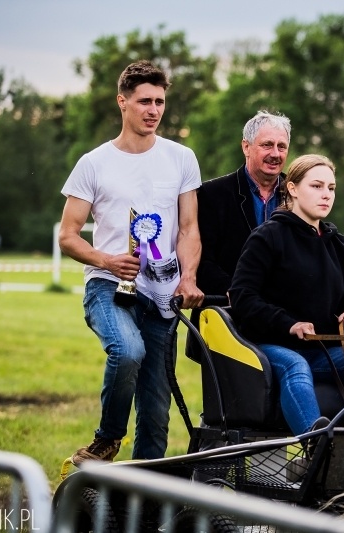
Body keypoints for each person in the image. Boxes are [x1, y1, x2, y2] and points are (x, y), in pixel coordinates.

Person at [59, 60, 204, 464]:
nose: (153, 110)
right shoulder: (93, 163)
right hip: (108, 286)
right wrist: (106, 259)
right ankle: (105, 442)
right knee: (127, 351)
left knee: (157, 415)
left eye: (159, 101)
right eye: (144, 101)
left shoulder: (181, 158)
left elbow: (188, 228)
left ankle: (143, 506)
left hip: (164, 294)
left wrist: (188, 277)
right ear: (123, 102)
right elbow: (67, 235)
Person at [228, 154, 344, 435]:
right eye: (317, 186)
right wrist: (289, 323)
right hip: (271, 346)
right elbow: (243, 297)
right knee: (295, 364)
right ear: (292, 188)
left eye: (331, 188)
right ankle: (318, 445)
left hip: (323, 350)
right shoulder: (267, 237)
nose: (326, 195)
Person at [196, 110, 291, 296]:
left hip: (284, 316)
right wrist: (238, 293)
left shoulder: (298, 194)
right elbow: (201, 260)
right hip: (226, 311)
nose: (275, 154)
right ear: (246, 147)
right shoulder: (211, 194)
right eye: (267, 145)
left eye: (282, 147)